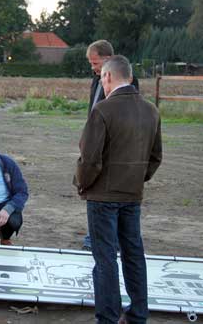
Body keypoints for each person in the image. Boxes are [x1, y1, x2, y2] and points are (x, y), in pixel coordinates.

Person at [73, 55, 162, 324]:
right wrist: (135, 179)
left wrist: (82, 184)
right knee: (134, 254)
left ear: (108, 77)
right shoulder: (151, 111)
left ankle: (108, 318)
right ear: (131, 77)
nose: (103, 83)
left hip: (102, 197)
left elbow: (89, 159)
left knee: (106, 258)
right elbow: (155, 157)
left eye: (102, 78)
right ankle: (137, 315)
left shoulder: (102, 110)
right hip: (132, 195)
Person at [82, 39, 140, 250]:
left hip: (115, 145)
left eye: (95, 63)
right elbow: (93, 108)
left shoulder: (128, 81)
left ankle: (104, 239)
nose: (93, 67)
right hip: (96, 136)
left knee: (106, 192)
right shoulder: (95, 79)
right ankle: (94, 236)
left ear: (108, 60)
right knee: (97, 189)